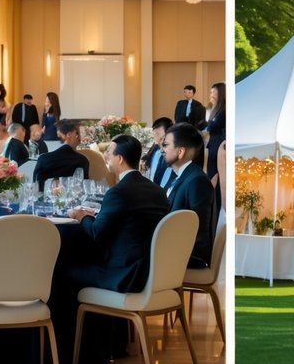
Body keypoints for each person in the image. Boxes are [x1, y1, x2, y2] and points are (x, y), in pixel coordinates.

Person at [65, 134, 170, 293]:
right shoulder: (158, 191)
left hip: (123, 276)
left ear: (120, 159)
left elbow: (96, 233)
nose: (106, 156)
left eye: (109, 152)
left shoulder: (119, 192)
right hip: (151, 274)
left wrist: (82, 216)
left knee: (65, 268)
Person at [162, 122, 216, 268]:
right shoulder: (181, 175)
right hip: (172, 248)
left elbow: (195, 228)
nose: (163, 150)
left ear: (180, 152)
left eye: (166, 145)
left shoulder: (197, 180)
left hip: (189, 256)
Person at [34, 118, 89, 191]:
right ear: (69, 135)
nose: (79, 139)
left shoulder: (43, 159)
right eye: (77, 133)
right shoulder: (82, 161)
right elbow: (85, 189)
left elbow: (35, 188)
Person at [204, 82, 226, 187]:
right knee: (211, 174)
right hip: (213, 144)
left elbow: (213, 126)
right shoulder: (214, 109)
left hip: (219, 145)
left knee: (215, 175)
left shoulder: (223, 110)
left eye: (214, 92)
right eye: (210, 92)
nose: (211, 94)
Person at [143, 117, 173, 185]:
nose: (157, 143)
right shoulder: (155, 150)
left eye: (161, 138)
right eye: (155, 135)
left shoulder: (173, 156)